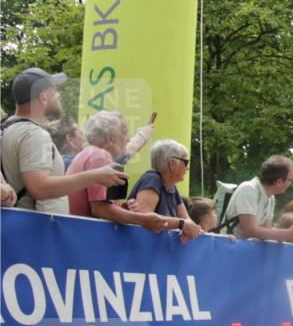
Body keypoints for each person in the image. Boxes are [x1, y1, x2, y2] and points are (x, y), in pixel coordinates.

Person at [1, 68, 126, 213]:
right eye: (54, 90)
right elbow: (39, 188)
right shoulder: (34, 134)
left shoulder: (7, 129)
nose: (58, 94)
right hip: (35, 230)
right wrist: (95, 176)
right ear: (43, 97)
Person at [67, 111, 173, 233]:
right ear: (110, 138)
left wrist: (122, 208)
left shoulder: (88, 153)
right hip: (88, 236)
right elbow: (100, 209)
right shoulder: (101, 156)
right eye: (124, 133)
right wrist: (143, 219)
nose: (128, 139)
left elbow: (99, 206)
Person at [220, 155, 293, 242]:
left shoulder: (270, 198)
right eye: (290, 180)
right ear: (279, 181)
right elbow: (250, 231)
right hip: (229, 249)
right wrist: (288, 233)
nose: (291, 183)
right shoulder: (249, 189)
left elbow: (266, 232)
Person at [128, 139, 203, 241]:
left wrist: (191, 231)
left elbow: (187, 221)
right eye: (186, 162)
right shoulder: (152, 179)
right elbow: (144, 217)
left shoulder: (172, 187)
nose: (188, 168)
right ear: (172, 163)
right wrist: (181, 224)